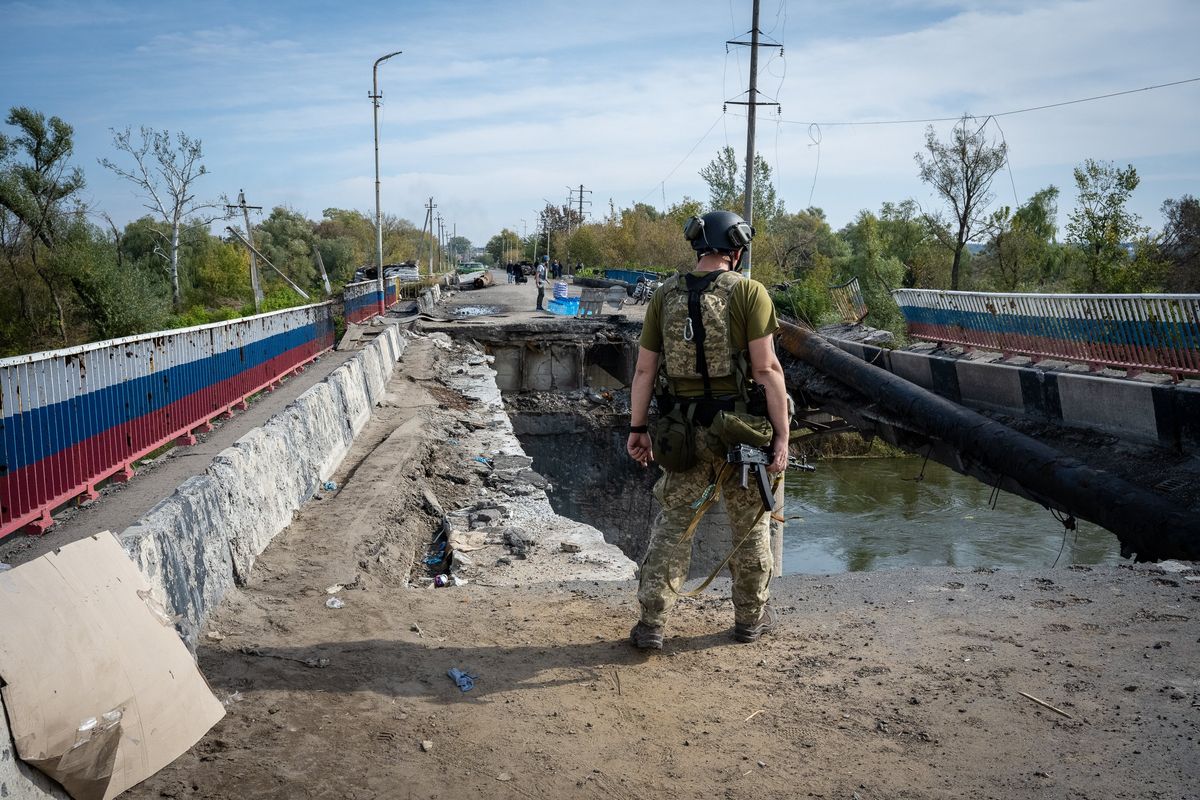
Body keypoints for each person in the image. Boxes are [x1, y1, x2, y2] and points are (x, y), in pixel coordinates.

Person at [626, 210, 790, 650]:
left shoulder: (663, 295)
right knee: (752, 527)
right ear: (735, 250)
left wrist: (638, 427)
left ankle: (651, 626)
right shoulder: (751, 294)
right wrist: (782, 436)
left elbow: (644, 370)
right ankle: (749, 621)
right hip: (741, 435)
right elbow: (767, 368)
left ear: (699, 246)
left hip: (682, 433)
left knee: (674, 527)